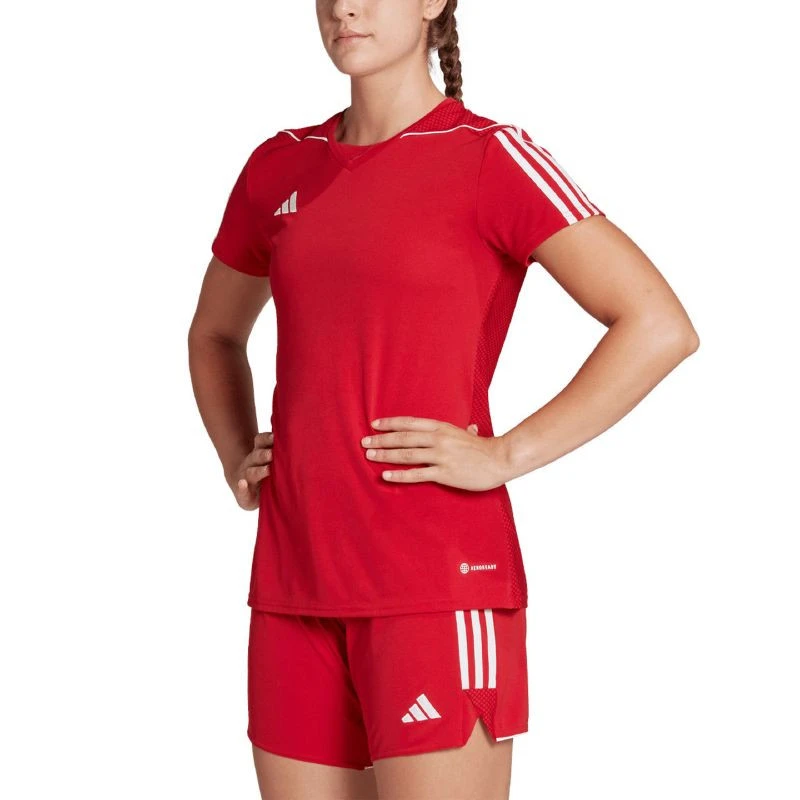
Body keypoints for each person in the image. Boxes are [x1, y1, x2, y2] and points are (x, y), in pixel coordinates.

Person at [188, 0, 700, 797]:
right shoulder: (279, 165)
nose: (343, 7)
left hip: (434, 585)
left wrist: (506, 454)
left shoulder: (490, 156)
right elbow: (215, 334)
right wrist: (236, 455)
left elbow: (658, 325)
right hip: (293, 584)